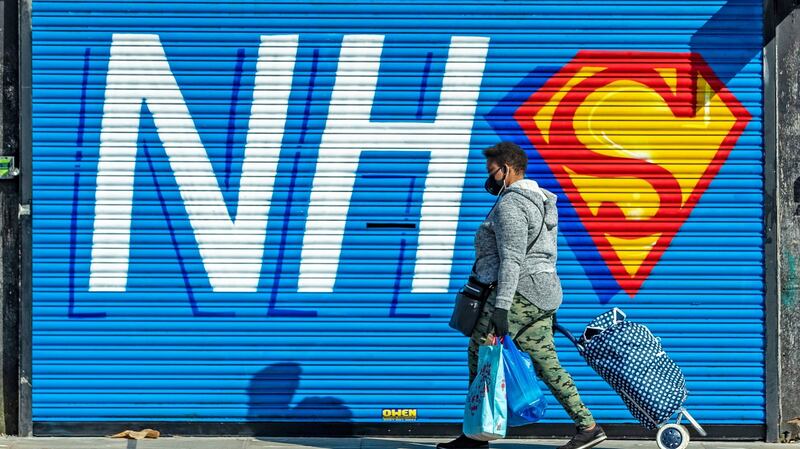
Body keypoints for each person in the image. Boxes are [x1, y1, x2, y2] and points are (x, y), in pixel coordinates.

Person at [438, 142, 606, 449]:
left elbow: (512, 259)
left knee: (480, 354)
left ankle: (477, 434)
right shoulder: (541, 201)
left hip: (517, 294)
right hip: (542, 294)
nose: (489, 178)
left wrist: (501, 309)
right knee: (546, 362)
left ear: (507, 169)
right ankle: (588, 427)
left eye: (492, 171)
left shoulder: (512, 206)